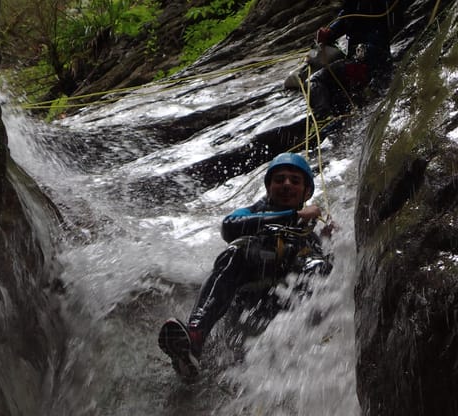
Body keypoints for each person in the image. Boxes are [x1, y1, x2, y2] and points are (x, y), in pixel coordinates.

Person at [158, 152, 333, 379]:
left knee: (319, 266)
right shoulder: (252, 214)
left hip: (281, 317)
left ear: (307, 191)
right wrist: (294, 215)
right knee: (236, 252)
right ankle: (195, 337)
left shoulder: (310, 235)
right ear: (268, 187)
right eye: (279, 179)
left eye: (295, 180)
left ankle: (308, 347)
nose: (286, 184)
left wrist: (330, 242)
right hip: (245, 311)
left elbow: (328, 278)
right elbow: (229, 228)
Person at [308, 0, 395, 118]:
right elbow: (342, 22)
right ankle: (338, 117)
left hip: (364, 64)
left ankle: (324, 118)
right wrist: (328, 33)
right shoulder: (352, 6)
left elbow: (378, 36)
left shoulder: (373, 5)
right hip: (367, 63)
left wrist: (365, 55)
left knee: (315, 81)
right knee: (336, 90)